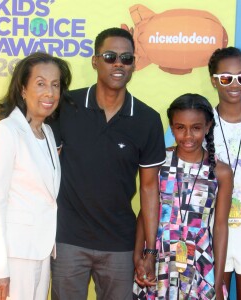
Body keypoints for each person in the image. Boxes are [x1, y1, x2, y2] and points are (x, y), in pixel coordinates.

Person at [48, 27, 166, 300]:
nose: (118, 64)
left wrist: (150, 251)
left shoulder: (147, 120)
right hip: (68, 240)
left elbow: (149, 189)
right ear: (95, 60)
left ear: (134, 65)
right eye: (110, 56)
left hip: (120, 245)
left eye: (126, 59)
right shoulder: (67, 106)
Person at [0, 52, 71, 300]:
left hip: (41, 251)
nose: (50, 93)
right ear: (22, 89)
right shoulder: (6, 132)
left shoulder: (48, 133)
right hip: (15, 255)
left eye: (55, 85)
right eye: (40, 83)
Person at [133, 93, 233, 299]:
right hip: (160, 254)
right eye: (180, 127)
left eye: (196, 128)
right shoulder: (158, 163)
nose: (188, 135)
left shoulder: (221, 172)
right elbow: (145, 211)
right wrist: (138, 256)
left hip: (200, 258)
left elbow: (221, 226)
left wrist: (219, 276)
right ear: (171, 127)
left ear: (207, 127)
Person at [208, 46, 241, 300]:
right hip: (212, 229)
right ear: (213, 81)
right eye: (226, 78)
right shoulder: (200, 126)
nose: (234, 84)